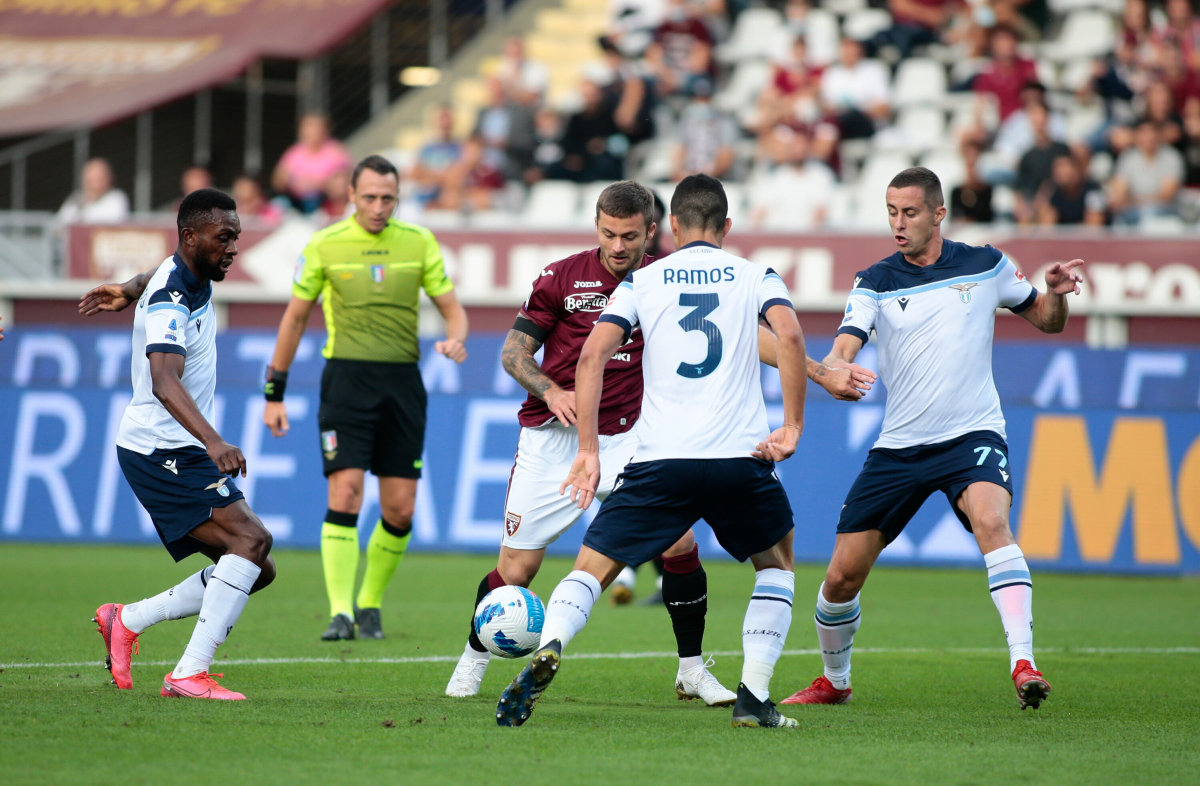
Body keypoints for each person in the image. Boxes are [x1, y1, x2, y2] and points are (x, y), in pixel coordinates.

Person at [446, 180, 873, 700]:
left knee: (680, 543)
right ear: (596, 228)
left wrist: (819, 372)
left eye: (629, 236)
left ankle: (691, 669)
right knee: (517, 570)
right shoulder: (560, 277)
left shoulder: (660, 279)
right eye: (608, 235)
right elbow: (514, 354)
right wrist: (551, 390)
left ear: (654, 230)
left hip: (631, 436)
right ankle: (472, 658)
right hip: (553, 436)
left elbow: (754, 338)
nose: (618, 246)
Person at [780, 166, 1084, 711]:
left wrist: (1056, 294)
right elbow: (845, 342)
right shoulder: (875, 278)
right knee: (841, 577)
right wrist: (835, 368)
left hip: (972, 434)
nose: (899, 224)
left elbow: (1047, 319)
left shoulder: (985, 263)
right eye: (891, 212)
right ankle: (835, 680)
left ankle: (1024, 662)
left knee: (993, 521)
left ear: (938, 213)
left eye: (910, 213)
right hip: (900, 446)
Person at [78, 188, 276, 700]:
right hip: (158, 446)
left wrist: (128, 287)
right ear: (191, 236)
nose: (233, 248)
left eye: (236, 237)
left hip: (173, 445)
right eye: (223, 237)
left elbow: (157, 274)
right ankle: (188, 674)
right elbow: (164, 380)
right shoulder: (172, 297)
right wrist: (214, 441)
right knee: (251, 543)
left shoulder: (186, 273)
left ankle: (128, 619)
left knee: (256, 565)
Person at [261, 154, 468, 641]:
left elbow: (454, 311)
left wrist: (455, 337)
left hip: (402, 385)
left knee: (400, 509)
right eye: (370, 197)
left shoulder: (418, 242)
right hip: (346, 384)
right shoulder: (326, 245)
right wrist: (275, 392)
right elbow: (294, 319)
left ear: (399, 198)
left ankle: (369, 602)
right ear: (350, 195)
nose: (379, 207)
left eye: (388, 198)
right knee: (345, 491)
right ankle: (339, 613)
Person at [271, 112, 353, 214]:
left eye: (315, 126)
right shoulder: (294, 152)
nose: (311, 131)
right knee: (277, 205)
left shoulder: (336, 151)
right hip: (296, 201)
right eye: (308, 126)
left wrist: (315, 184)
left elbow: (342, 183)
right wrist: (292, 182)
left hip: (323, 201)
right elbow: (278, 180)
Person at [57, 158, 130, 225]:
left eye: (98, 179)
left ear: (108, 179)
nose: (93, 184)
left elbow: (111, 221)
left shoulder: (116, 198)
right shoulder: (75, 199)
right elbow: (61, 222)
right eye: (89, 179)